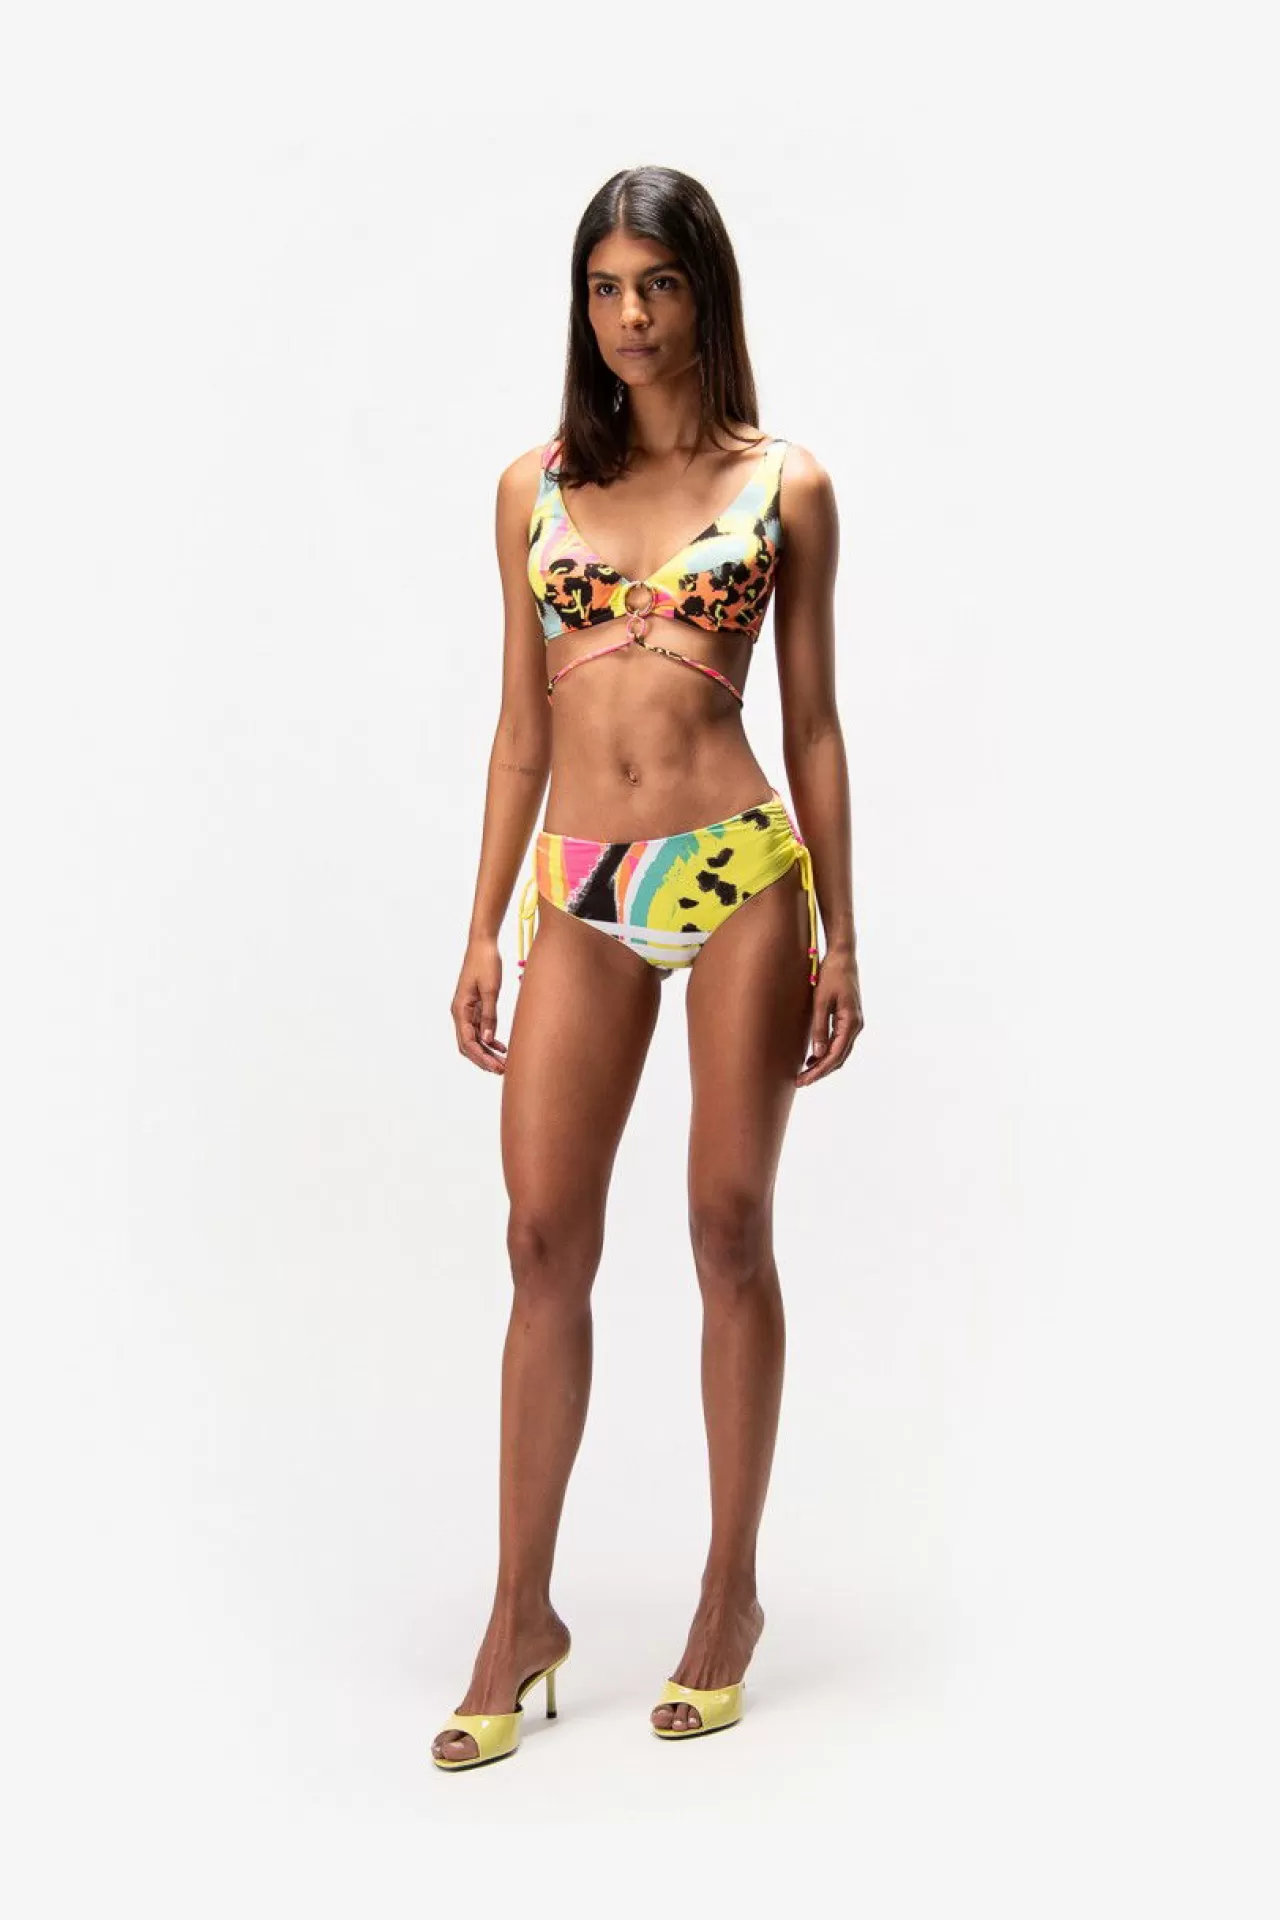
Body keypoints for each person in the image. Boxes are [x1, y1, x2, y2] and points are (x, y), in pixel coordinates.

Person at [432, 164, 864, 1771]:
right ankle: (519, 1616)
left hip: (739, 869)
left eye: (658, 286)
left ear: (705, 295)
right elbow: (517, 731)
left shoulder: (785, 486)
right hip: (581, 890)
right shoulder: (530, 487)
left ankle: (727, 1594)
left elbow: (813, 724)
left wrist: (842, 931)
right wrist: (482, 925)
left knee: (727, 1225)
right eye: (606, 288)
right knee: (542, 1239)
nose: (630, 316)